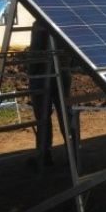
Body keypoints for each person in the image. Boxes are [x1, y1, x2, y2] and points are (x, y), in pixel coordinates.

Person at [26, 20, 73, 170]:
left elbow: (37, 51)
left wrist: (31, 72)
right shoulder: (63, 21)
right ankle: (73, 154)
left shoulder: (40, 24)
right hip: (63, 71)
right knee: (66, 115)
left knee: (43, 118)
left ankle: (44, 155)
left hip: (42, 74)